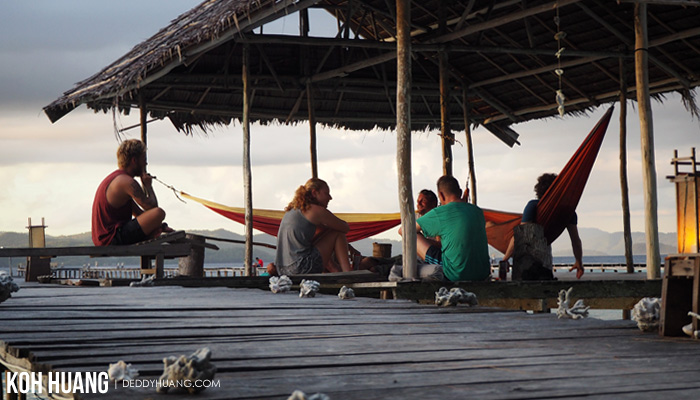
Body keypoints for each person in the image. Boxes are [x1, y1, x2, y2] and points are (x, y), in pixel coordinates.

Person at [400, 175, 491, 282]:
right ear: (460, 192)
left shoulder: (440, 213)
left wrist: (427, 242)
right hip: (482, 273)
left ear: (441, 196)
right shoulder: (478, 211)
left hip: (455, 273)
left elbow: (403, 231)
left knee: (410, 234)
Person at [502, 173, 584, 279]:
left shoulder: (533, 206)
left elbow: (520, 236)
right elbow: (576, 241)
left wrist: (505, 259)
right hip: (545, 258)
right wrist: (579, 261)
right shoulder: (568, 212)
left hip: (526, 258)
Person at [92, 139, 171, 246]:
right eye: (144, 159)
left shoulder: (118, 179)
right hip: (111, 238)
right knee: (159, 213)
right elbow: (152, 208)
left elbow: (139, 213)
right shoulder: (127, 182)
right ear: (134, 160)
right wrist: (148, 186)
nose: (146, 163)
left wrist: (159, 226)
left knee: (155, 219)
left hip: (105, 238)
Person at [274, 178, 354, 275]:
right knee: (337, 233)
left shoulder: (293, 210)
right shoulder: (315, 210)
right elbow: (345, 227)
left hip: (282, 271)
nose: (330, 197)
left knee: (323, 236)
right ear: (314, 193)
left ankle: (336, 270)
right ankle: (348, 273)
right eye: (326, 193)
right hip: (300, 268)